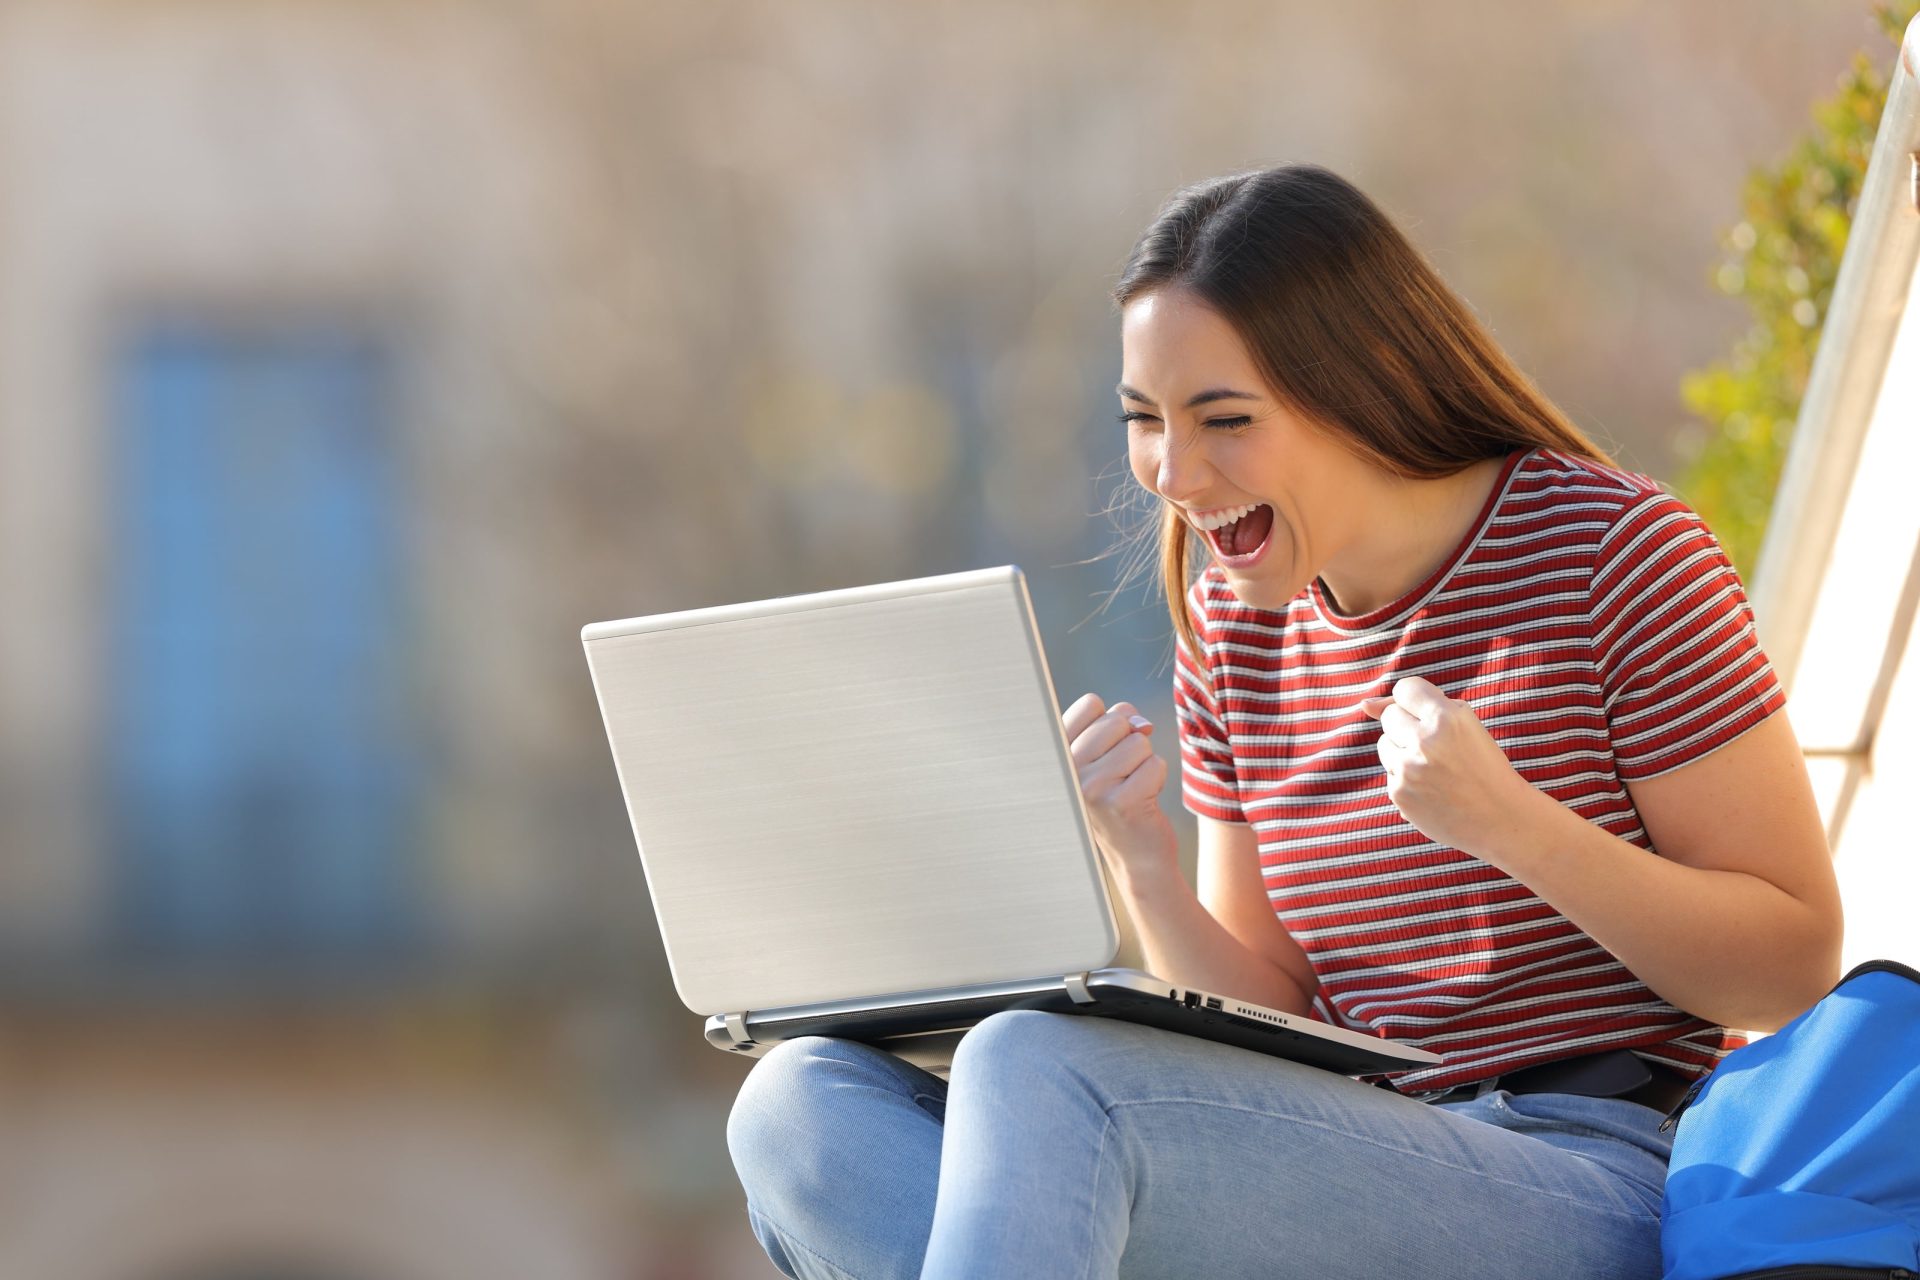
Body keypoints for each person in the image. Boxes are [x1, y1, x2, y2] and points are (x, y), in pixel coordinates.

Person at [723, 164, 1844, 1279]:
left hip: (1596, 1175)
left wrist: (1516, 825)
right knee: (800, 1109)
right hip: (1330, 1166)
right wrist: (1140, 865)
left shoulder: (1611, 553)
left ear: (1359, 385)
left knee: (1034, 1062)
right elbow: (1273, 1005)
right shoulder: (1233, 620)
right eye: (1144, 420)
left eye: (1223, 419)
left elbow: (1790, 962)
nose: (1174, 471)